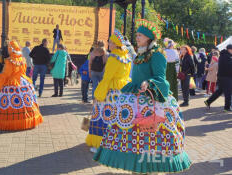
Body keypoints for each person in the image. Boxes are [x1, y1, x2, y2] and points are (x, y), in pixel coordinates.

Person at [93, 19, 192, 174]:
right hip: (135, 99)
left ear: (148, 37)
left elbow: (161, 78)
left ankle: (148, 169)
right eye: (137, 35)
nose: (136, 38)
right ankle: (137, 170)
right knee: (132, 138)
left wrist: (149, 82)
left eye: (139, 35)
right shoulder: (140, 54)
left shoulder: (157, 54)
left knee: (150, 140)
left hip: (151, 101)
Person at [86, 29, 131, 153]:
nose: (108, 44)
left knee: (103, 117)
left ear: (116, 44)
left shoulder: (113, 58)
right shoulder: (126, 57)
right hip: (123, 92)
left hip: (111, 92)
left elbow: (107, 78)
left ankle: (101, 145)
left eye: (110, 42)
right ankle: (116, 143)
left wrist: (98, 94)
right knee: (118, 119)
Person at [0, 41, 43, 130]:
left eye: (9, 49)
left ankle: (9, 122)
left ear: (11, 50)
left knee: (6, 100)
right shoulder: (22, 59)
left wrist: (0, 79)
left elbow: (7, 73)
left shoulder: (9, 61)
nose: (8, 50)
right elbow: (23, 71)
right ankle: (27, 119)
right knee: (26, 99)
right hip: (22, 80)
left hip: (11, 82)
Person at [205, 44, 232, 112]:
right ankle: (227, 108)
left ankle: (208, 101)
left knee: (219, 91)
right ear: (229, 49)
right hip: (226, 77)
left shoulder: (224, 55)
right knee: (228, 92)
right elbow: (229, 67)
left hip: (222, 76)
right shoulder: (226, 56)